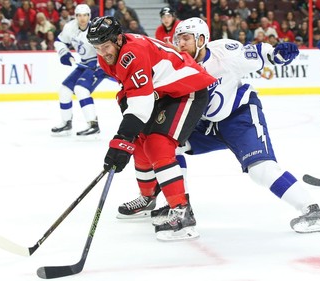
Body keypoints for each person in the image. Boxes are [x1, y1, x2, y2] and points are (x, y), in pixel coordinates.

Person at [127, 17, 320, 235]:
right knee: (167, 147)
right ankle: (180, 209)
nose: (181, 43)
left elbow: (258, 53)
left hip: (239, 117)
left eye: (186, 38)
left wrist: (278, 53)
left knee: (261, 170)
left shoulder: (225, 52)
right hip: (204, 125)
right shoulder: (175, 63)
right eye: (178, 38)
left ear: (202, 39)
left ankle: (312, 211)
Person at [86, 16, 216, 241]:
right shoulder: (109, 56)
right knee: (138, 143)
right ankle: (148, 198)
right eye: (96, 48)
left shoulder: (132, 53)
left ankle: (182, 212)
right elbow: (134, 92)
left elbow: (141, 105)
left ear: (118, 39)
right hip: (161, 92)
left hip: (187, 90)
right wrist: (126, 141)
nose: (102, 52)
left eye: (105, 46)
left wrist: (120, 140)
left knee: (158, 144)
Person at [52, 4, 106, 136]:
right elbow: (59, 41)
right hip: (84, 63)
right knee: (64, 90)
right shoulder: (70, 27)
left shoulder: (96, 29)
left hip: (99, 63)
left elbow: (107, 48)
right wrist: (64, 53)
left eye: (85, 15)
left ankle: (93, 124)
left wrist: (102, 66)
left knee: (81, 89)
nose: (82, 18)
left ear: (89, 16)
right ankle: (66, 123)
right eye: (80, 15)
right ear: (75, 16)